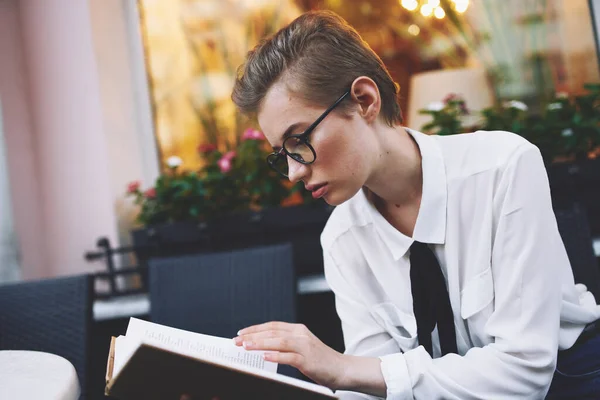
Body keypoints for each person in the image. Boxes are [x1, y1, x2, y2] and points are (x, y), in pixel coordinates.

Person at [230, 10, 600, 399]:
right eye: (281, 155)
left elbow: (525, 372)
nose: (292, 173)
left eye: (299, 140)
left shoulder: (501, 167)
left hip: (571, 382)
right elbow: (369, 381)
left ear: (364, 100)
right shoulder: (342, 237)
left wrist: (344, 369)